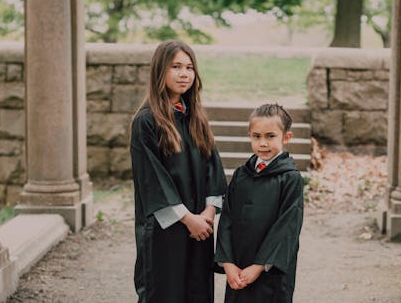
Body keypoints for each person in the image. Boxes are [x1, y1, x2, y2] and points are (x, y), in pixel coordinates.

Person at [130, 40, 227, 303]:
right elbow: (152, 180)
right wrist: (188, 219)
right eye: (176, 66)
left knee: (196, 291)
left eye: (189, 67)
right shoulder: (147, 121)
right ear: (160, 70)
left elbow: (212, 168)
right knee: (165, 292)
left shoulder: (196, 118)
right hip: (166, 230)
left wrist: (207, 213)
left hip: (200, 227)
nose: (184, 74)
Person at [215, 103, 304, 303]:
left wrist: (259, 266)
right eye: (256, 136)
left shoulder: (290, 179)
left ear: (286, 137)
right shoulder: (241, 175)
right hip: (238, 269)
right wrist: (228, 263)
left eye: (270, 136)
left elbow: (287, 226)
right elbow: (227, 219)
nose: (262, 143)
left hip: (270, 273)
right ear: (249, 136)